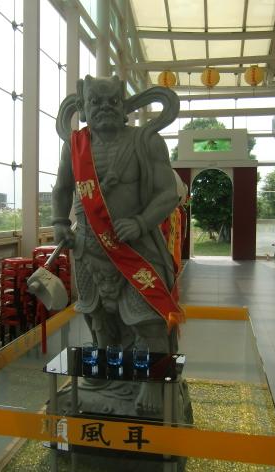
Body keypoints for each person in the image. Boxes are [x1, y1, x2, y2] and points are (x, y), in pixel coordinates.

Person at [51, 75, 182, 414]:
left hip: (136, 248)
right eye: (96, 102)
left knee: (147, 319)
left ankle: (152, 381)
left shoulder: (146, 141)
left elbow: (168, 193)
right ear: (83, 107)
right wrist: (60, 222)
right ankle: (105, 368)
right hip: (88, 247)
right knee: (96, 316)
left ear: (124, 105)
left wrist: (140, 222)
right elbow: (62, 189)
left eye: (112, 101)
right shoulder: (75, 146)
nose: (105, 108)